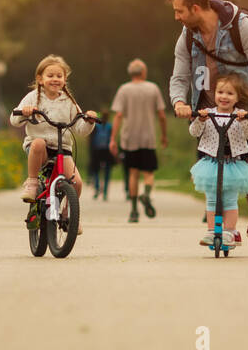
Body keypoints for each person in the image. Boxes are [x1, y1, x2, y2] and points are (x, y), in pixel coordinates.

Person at [167, 0, 248, 253]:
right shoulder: (188, 34)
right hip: (208, 111)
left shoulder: (240, 26)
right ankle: (225, 228)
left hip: (243, 109)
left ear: (195, 8)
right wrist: (179, 101)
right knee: (214, 170)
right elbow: (179, 73)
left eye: (180, 11)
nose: (177, 17)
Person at [11, 55, 97, 233]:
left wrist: (89, 120)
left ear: (65, 80)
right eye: (50, 75)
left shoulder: (69, 101)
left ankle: (67, 214)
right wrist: (25, 113)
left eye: (59, 76)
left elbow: (80, 129)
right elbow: (14, 120)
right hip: (39, 150)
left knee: (77, 183)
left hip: (61, 149)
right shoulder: (33, 97)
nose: (55, 79)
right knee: (38, 143)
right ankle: (33, 183)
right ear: (40, 79)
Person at [189, 73, 248, 248]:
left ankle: (229, 231)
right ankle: (212, 231)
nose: (224, 97)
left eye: (229, 93)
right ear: (214, 94)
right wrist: (200, 118)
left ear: (237, 98)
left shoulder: (239, 115)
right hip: (211, 163)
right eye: (220, 92)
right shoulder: (208, 114)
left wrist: (244, 120)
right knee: (212, 199)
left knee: (229, 200)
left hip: (232, 164)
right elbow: (194, 132)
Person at [110, 58, 168, 223]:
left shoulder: (124, 89)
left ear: (131, 73)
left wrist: (113, 139)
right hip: (148, 138)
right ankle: (147, 195)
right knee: (149, 173)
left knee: (133, 173)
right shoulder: (153, 88)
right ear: (144, 72)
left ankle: (134, 211)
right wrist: (164, 135)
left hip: (129, 139)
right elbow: (162, 115)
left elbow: (118, 115)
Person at [88, 107, 116, 199]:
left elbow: (91, 139)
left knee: (96, 170)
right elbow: (113, 139)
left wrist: (90, 150)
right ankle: (105, 192)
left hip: (96, 150)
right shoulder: (110, 126)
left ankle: (97, 188)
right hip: (107, 151)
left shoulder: (96, 126)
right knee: (107, 172)